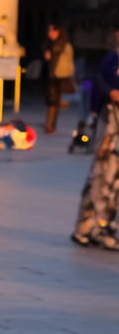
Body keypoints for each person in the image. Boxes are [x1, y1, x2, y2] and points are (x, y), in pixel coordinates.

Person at [72, 27, 119, 249]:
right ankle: (87, 227)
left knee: (114, 182)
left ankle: (105, 228)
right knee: (99, 177)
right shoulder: (111, 59)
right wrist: (111, 92)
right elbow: (99, 82)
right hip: (109, 125)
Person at [43, 24, 75, 134]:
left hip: (60, 76)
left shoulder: (64, 45)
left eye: (53, 31)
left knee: (54, 102)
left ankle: (50, 125)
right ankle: (50, 125)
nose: (50, 34)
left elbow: (69, 62)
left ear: (59, 32)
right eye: (49, 31)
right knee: (53, 102)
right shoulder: (49, 44)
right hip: (53, 76)